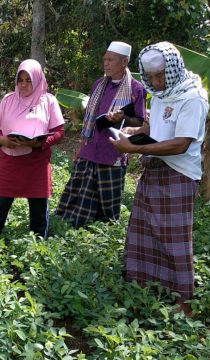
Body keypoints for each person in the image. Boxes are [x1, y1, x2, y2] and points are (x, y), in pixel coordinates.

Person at [111, 42, 209, 314]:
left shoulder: (192, 98)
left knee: (174, 239)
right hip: (154, 169)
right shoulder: (161, 94)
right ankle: (145, 285)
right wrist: (132, 131)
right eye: (151, 76)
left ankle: (185, 303)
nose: (156, 82)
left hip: (178, 174)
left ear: (174, 69)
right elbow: (156, 127)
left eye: (161, 75)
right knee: (145, 231)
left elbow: (180, 144)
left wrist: (134, 148)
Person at [56, 41, 147, 228]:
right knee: (78, 194)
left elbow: (140, 121)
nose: (106, 63)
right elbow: (89, 118)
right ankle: (72, 227)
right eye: (105, 59)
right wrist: (80, 147)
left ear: (124, 62)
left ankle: (104, 231)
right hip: (90, 148)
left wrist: (122, 117)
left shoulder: (136, 89)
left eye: (110, 60)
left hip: (113, 150)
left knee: (108, 201)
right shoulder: (99, 84)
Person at [0, 59, 65, 239]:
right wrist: (2, 140)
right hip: (9, 160)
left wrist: (40, 143)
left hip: (36, 163)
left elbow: (59, 132)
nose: (24, 84)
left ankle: (38, 243)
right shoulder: (8, 100)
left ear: (37, 80)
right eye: (21, 80)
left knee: (38, 208)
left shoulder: (48, 101)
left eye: (29, 80)